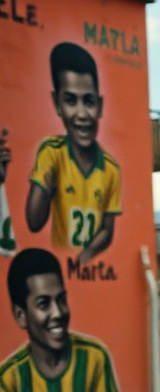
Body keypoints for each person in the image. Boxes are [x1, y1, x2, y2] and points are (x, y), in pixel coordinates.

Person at [1, 247, 120, 392]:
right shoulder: (8, 377)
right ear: (20, 315)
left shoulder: (94, 356)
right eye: (44, 304)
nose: (58, 313)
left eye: (61, 300)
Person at [23, 43, 121, 263]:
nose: (81, 114)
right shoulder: (51, 153)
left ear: (100, 105)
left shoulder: (111, 169)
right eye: (70, 101)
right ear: (57, 104)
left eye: (88, 101)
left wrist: (84, 258)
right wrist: (47, 189)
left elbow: (107, 230)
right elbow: (34, 222)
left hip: (90, 271)